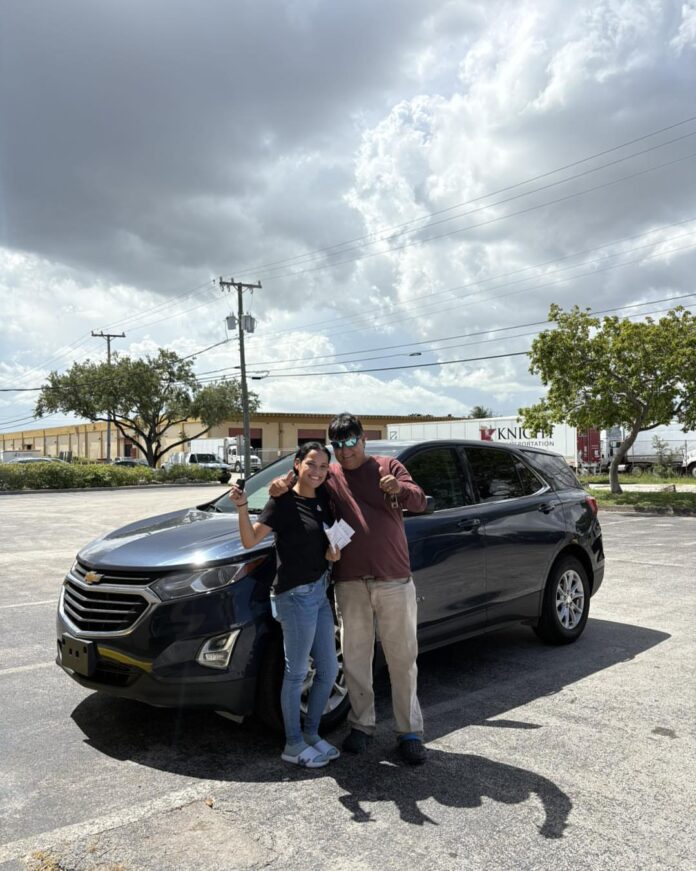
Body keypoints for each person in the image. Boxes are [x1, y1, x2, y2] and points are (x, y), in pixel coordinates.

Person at [271, 413, 428, 765]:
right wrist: (280, 485)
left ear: (363, 439)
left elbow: (419, 500)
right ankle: (362, 725)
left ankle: (410, 732)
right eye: (337, 445)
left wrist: (398, 489)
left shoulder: (388, 465)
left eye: (350, 442)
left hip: (393, 578)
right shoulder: (332, 474)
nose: (344, 451)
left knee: (402, 659)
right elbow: (303, 481)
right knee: (355, 658)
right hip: (349, 580)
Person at [229, 441, 341, 769]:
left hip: (320, 592)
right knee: (296, 672)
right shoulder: (281, 502)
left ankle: (311, 734)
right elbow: (250, 540)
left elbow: (330, 540)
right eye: (311, 464)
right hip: (295, 596)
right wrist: (242, 506)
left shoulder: (323, 499)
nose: (317, 472)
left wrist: (334, 554)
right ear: (296, 464)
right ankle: (292, 744)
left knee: (329, 668)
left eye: (323, 466)